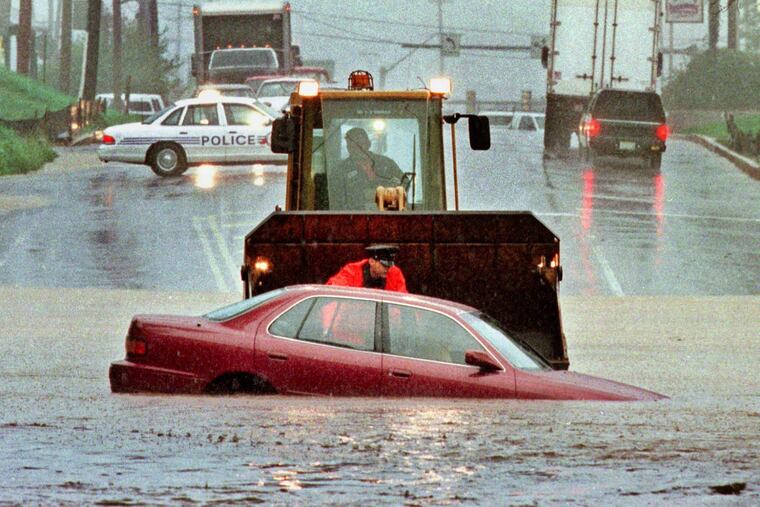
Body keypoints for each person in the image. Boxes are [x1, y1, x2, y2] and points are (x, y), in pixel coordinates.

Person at [336, 127, 405, 209]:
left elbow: (405, 183)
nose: (357, 149)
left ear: (369, 144)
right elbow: (336, 199)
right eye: (352, 145)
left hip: (387, 216)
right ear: (348, 148)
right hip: (355, 218)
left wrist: (381, 196)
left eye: (360, 144)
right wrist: (362, 197)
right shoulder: (341, 170)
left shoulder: (386, 163)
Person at [326, 244, 408, 292]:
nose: (388, 269)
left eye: (389, 266)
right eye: (384, 265)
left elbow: (403, 300)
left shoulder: (395, 274)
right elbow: (332, 293)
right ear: (372, 261)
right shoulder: (351, 272)